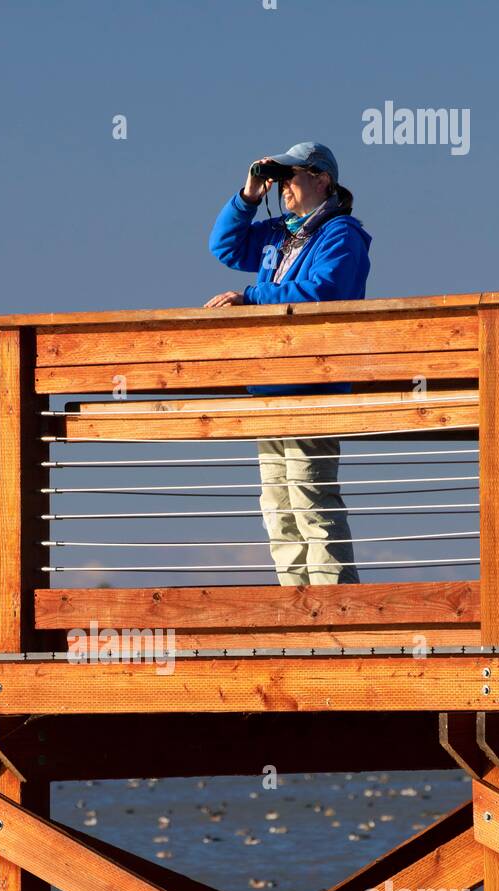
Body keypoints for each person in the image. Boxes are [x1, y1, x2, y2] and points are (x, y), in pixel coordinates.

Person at [206, 141, 372, 586]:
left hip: (314, 386)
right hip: (272, 386)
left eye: (289, 177)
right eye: (277, 180)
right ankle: (299, 615)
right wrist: (248, 197)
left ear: (321, 180)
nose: (282, 188)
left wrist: (252, 297)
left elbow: (324, 291)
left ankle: (337, 610)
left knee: (310, 500)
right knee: (277, 509)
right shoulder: (280, 232)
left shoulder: (341, 234)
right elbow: (224, 246)